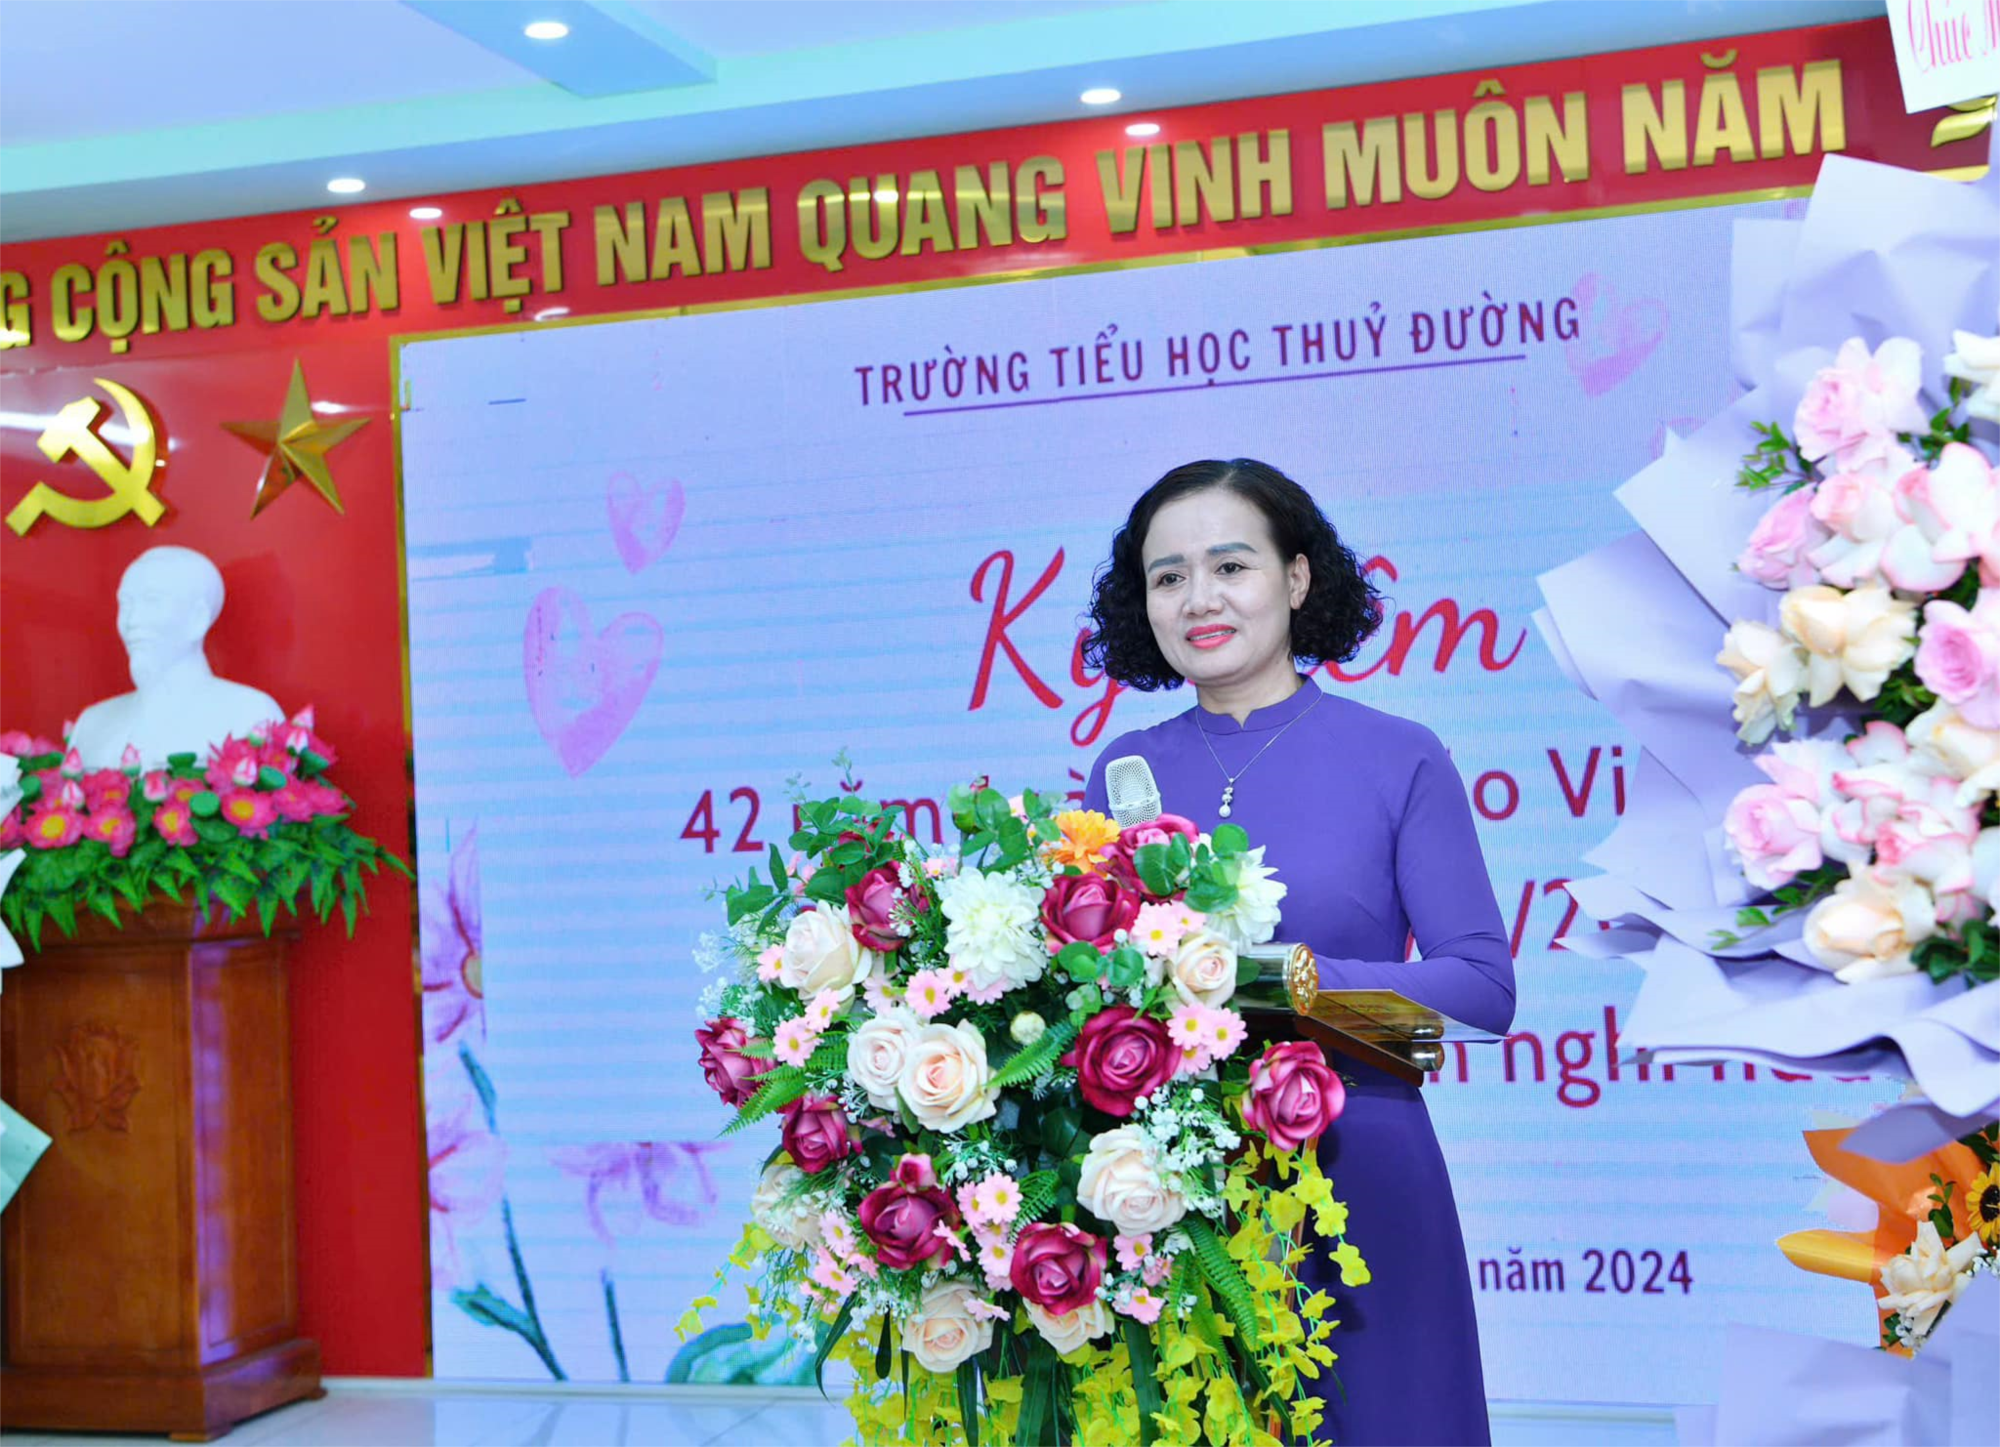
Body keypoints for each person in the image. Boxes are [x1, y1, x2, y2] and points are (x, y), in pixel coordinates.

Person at [1080, 458, 1515, 1446]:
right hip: (1174, 1197)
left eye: (1230, 566)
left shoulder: (1398, 753)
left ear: (1297, 577)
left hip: (1361, 1168)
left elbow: (1483, 987)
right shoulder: (1122, 772)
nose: (1200, 598)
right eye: (1168, 576)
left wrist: (1272, 983)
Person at [69, 546, 284, 768]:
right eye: (126, 604)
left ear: (198, 618)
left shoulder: (251, 715)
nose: (132, 620)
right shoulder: (91, 725)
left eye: (152, 601)